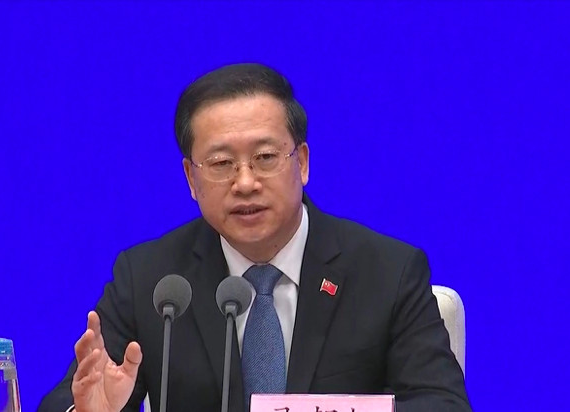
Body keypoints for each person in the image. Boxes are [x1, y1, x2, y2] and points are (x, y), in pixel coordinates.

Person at [38, 63, 471, 412]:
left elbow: (442, 404)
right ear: (191, 178)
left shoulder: (387, 272)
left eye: (265, 157)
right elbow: (73, 399)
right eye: (221, 164)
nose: (245, 183)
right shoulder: (151, 280)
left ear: (302, 162)